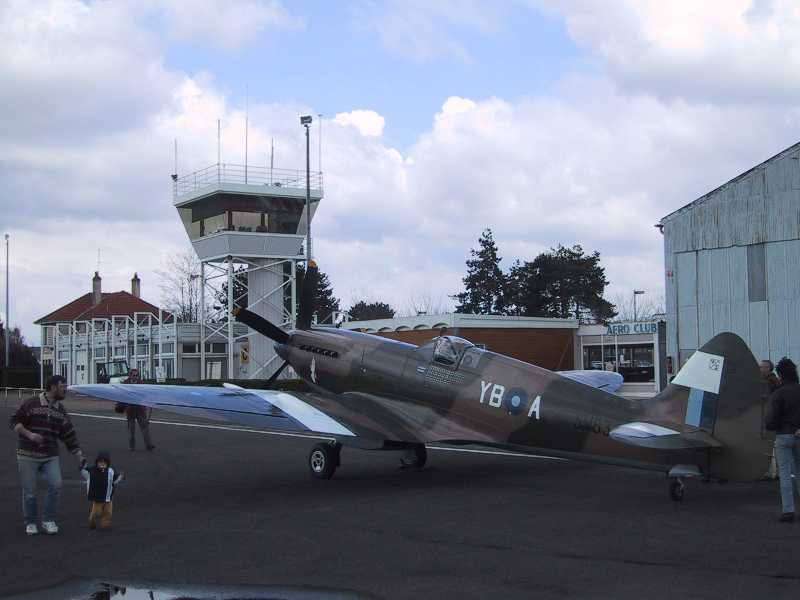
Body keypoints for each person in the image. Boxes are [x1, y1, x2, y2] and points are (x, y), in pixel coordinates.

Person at [8, 374, 85, 535]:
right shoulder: (31, 403)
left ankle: (48, 520)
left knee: (56, 484)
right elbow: (14, 421)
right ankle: (30, 522)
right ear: (52, 387)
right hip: (27, 454)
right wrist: (30, 435)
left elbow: (68, 434)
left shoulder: (60, 410)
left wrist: (79, 455)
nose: (65, 389)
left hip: (50, 455)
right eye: (62, 386)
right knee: (29, 492)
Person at [764, 357, 800, 522]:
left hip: (783, 435)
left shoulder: (778, 394)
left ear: (780, 375)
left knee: (785, 474)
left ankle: (788, 510)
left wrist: (773, 426)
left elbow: (771, 419)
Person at [80, 451, 124, 530]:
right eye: (100, 462)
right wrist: (82, 465)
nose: (102, 464)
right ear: (97, 462)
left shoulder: (111, 471)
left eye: (104, 462)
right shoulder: (92, 470)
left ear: (108, 463)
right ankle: (91, 520)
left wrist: (120, 477)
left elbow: (115, 480)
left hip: (108, 497)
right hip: (97, 498)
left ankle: (105, 524)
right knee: (97, 513)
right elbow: (84, 472)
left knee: (108, 513)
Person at [760, 359, 781, 479]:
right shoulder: (774, 381)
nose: (760, 369)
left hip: (770, 418)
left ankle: (772, 472)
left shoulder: (770, 382)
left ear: (769, 369)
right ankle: (774, 471)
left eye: (763, 367)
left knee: (770, 445)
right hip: (771, 418)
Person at [125, 368, 154, 451]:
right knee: (131, 429)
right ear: (130, 375)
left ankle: (148, 445)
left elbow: (145, 394)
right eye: (134, 375)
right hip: (130, 409)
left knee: (144, 427)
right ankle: (131, 446)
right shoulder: (125, 383)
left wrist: (148, 403)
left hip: (140, 409)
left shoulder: (141, 383)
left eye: (137, 375)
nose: (136, 377)